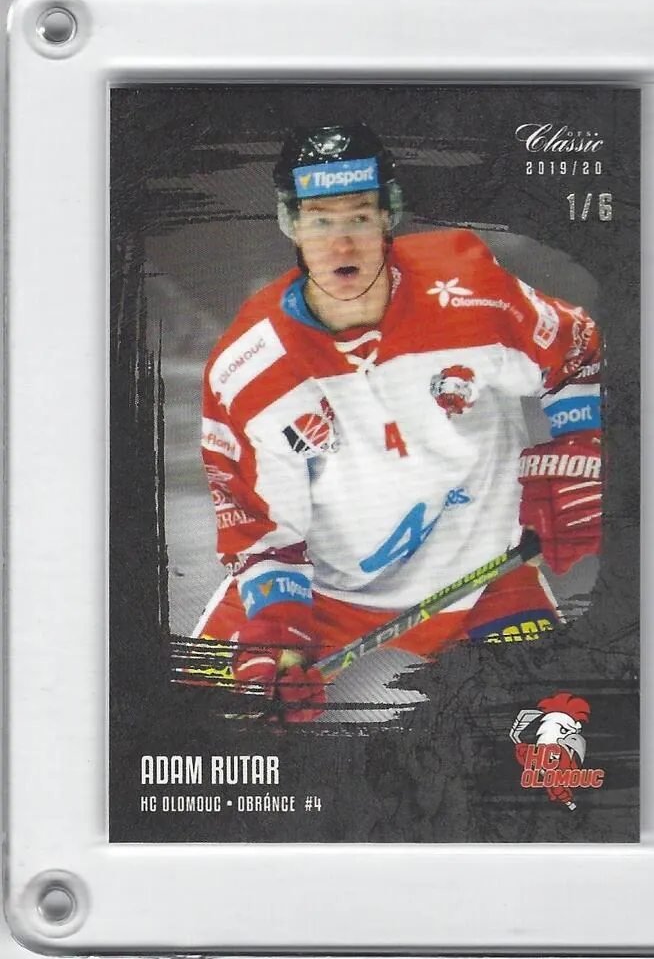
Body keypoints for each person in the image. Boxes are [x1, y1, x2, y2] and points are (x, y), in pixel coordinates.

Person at [196, 122, 602, 721]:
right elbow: (261, 532)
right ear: (290, 224)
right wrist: (279, 629)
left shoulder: (472, 289)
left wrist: (584, 452)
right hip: (325, 596)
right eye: (320, 220)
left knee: (547, 748)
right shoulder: (249, 368)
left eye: (359, 217)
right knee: (198, 727)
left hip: (483, 582)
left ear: (389, 216)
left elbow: (577, 351)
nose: (342, 244)